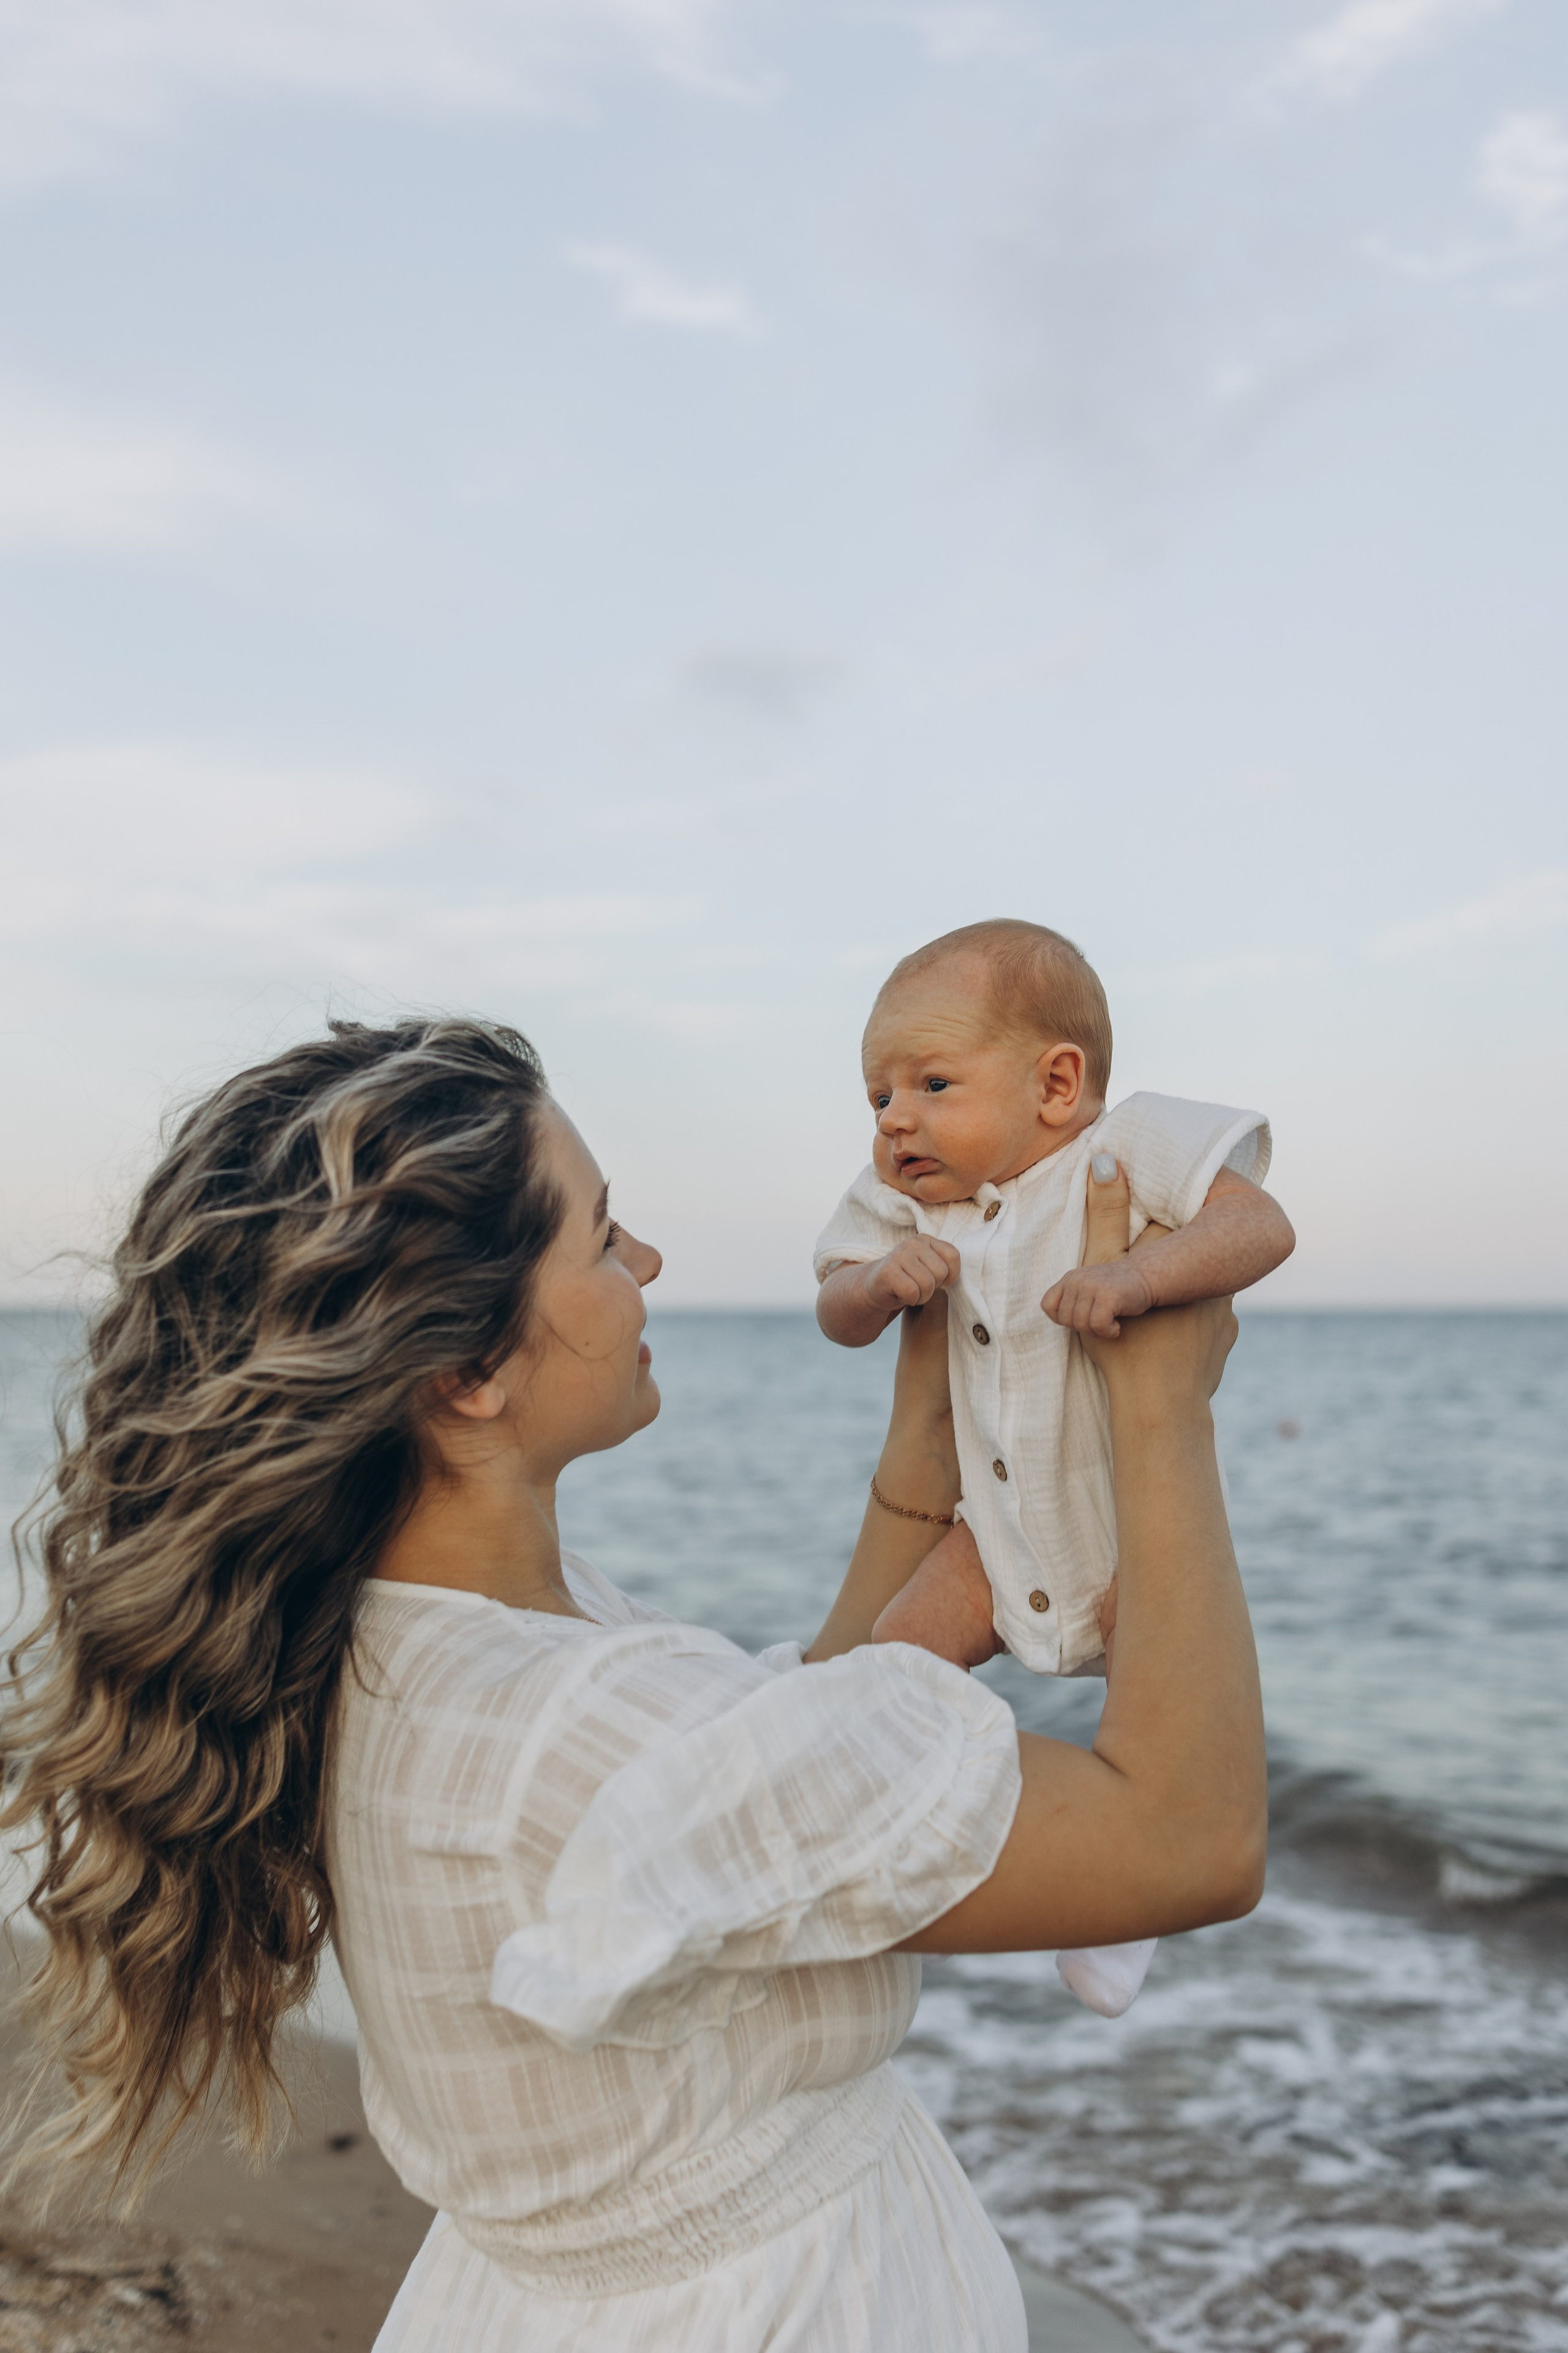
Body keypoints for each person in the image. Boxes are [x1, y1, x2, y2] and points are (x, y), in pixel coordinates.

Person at [2, 1015, 1265, 2353]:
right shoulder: (567, 1721)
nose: (648, 1263)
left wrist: (925, 1432)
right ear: (467, 1371)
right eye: (603, 1237)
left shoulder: (428, 1635)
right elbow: (1186, 1838)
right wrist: (1159, 1413)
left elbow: (780, 1778)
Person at [814, 918, 1293, 2017]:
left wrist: (1145, 1278)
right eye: (878, 1096)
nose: (896, 1118)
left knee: (1162, 1707)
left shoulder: (1130, 1147)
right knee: (891, 1666)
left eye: (931, 1081)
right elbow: (836, 1306)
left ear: (1058, 1082)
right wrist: (882, 1280)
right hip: (987, 1530)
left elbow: (1259, 1226)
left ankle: (1127, 1911)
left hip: (1129, 1529)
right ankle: (918, 1841)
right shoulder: (911, 1202)